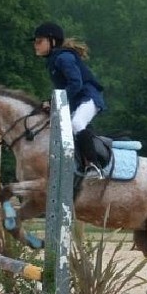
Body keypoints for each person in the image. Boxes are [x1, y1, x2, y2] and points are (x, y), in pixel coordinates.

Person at [32, 22, 107, 178]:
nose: (35, 45)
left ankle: (93, 165)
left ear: (52, 41)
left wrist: (53, 102)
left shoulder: (64, 58)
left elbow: (76, 83)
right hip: (77, 100)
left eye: (39, 41)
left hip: (89, 97)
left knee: (76, 123)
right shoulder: (55, 60)